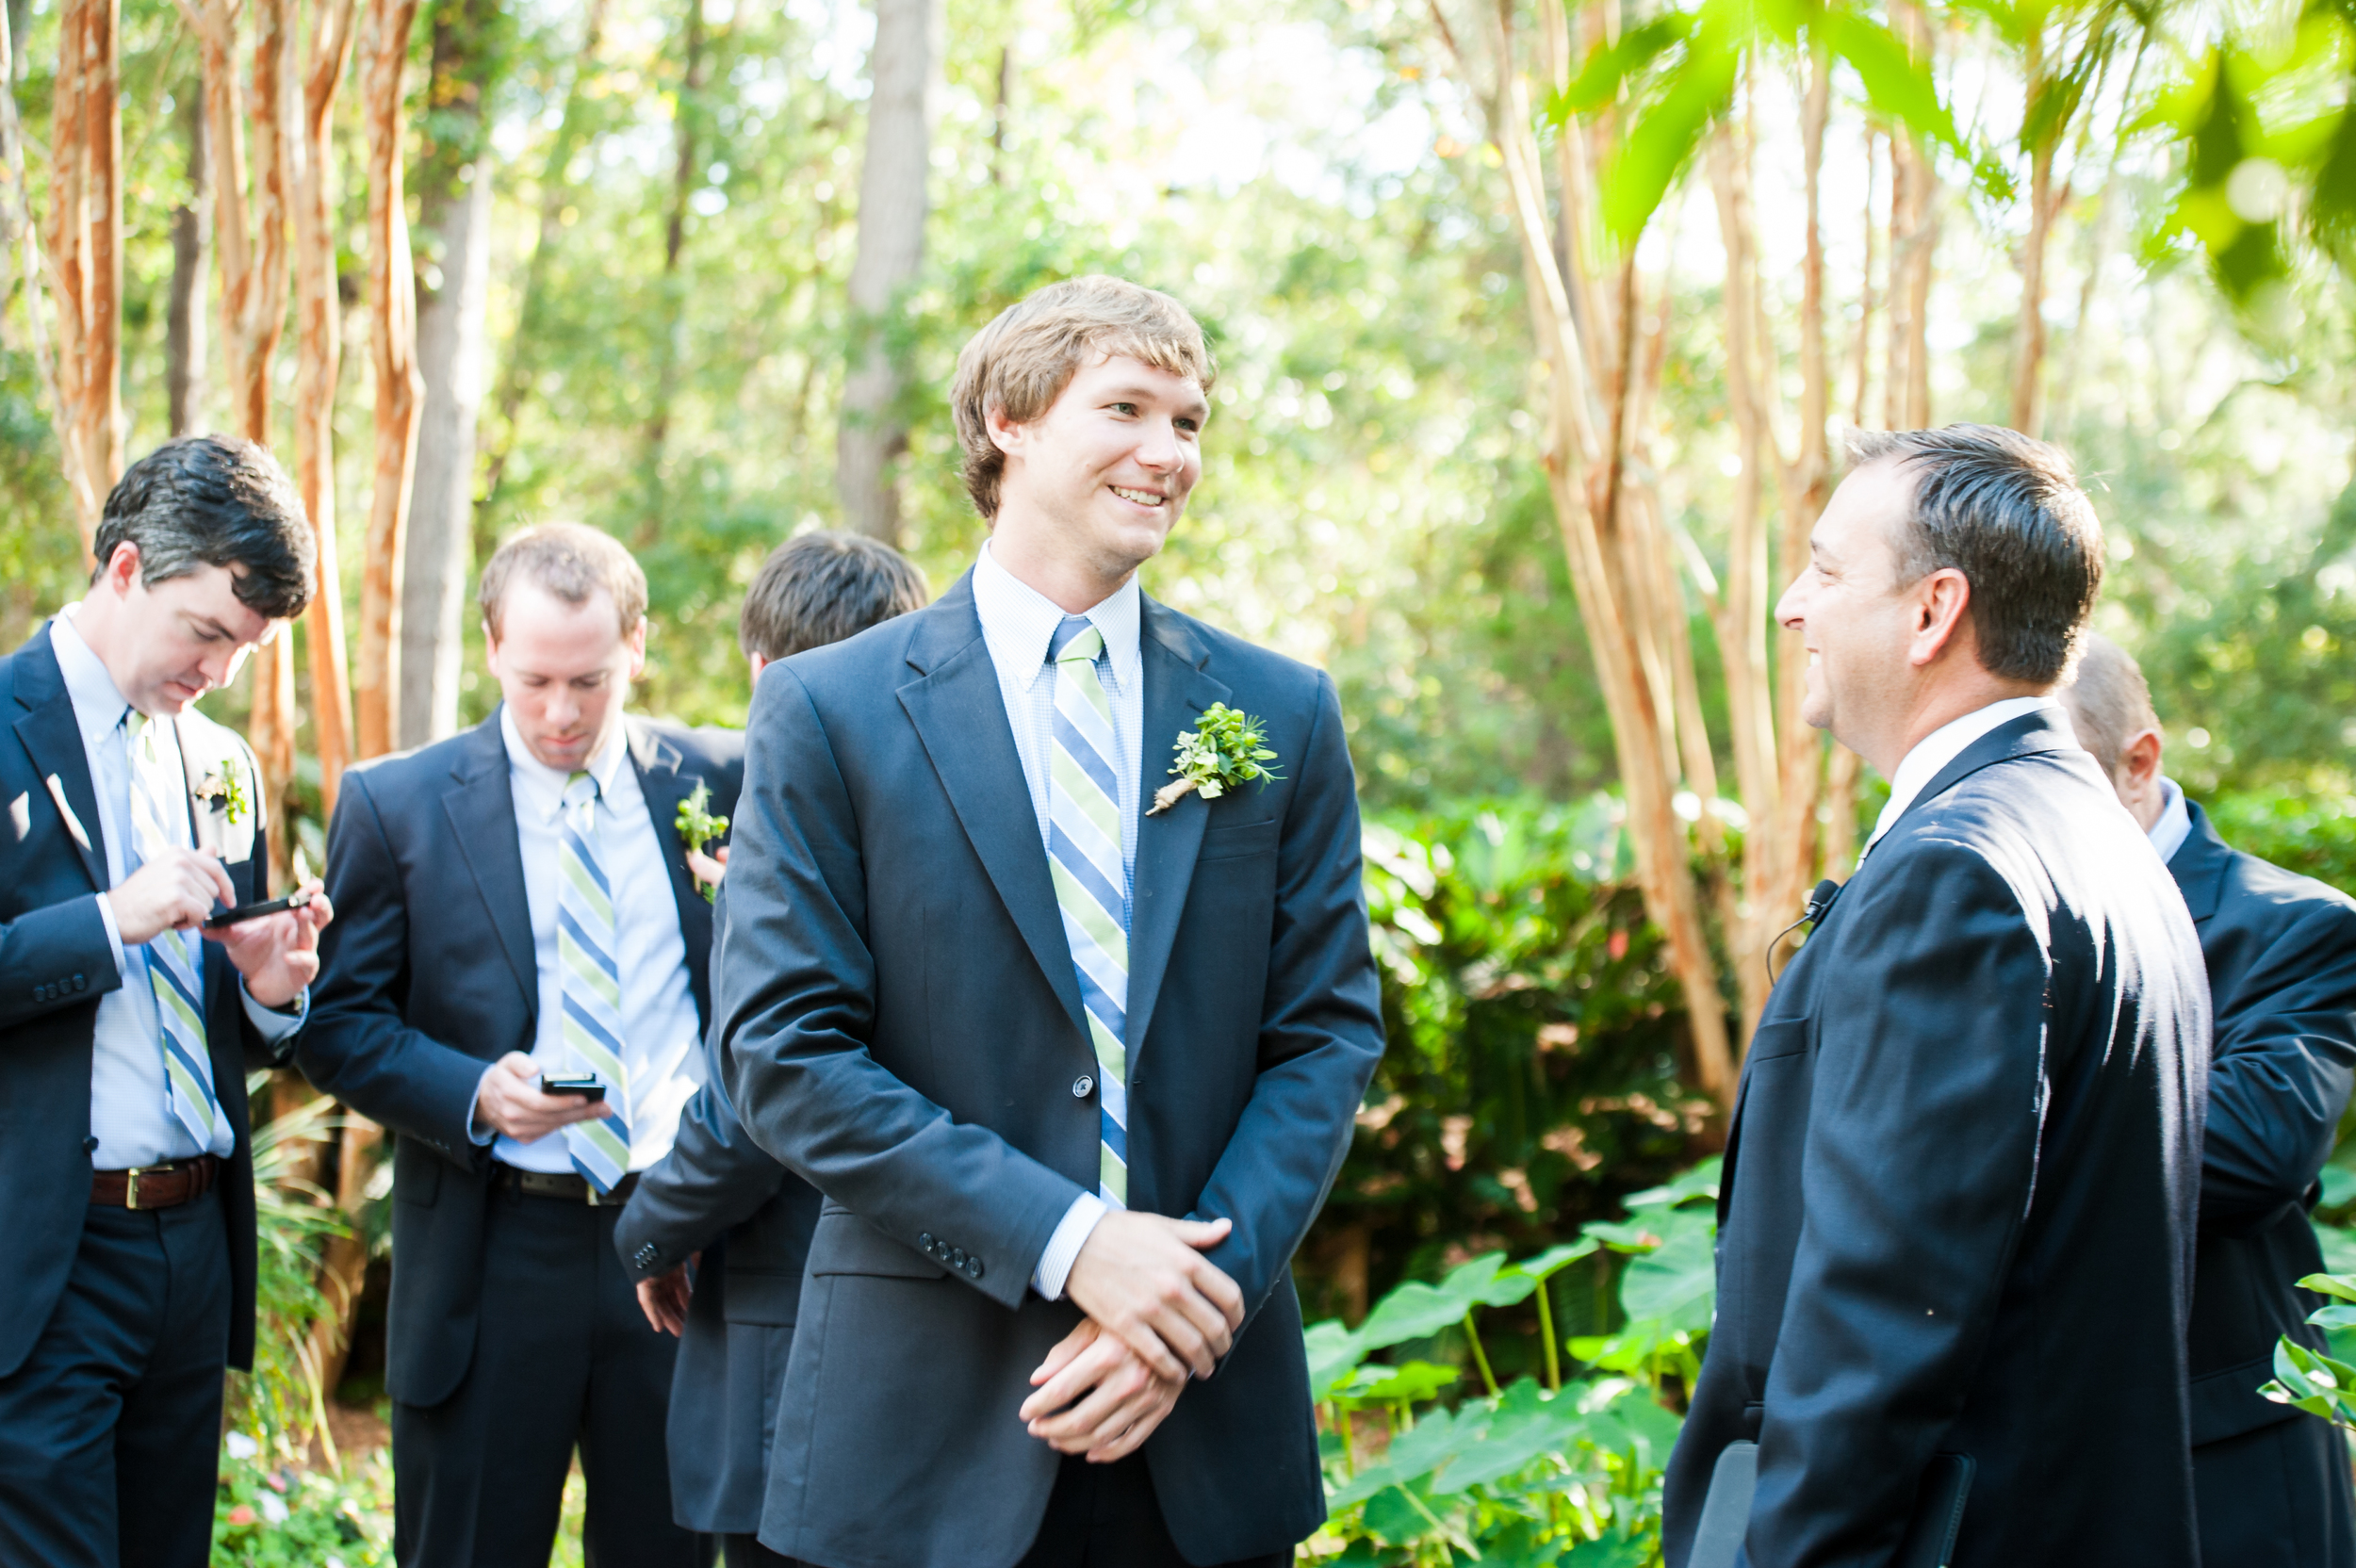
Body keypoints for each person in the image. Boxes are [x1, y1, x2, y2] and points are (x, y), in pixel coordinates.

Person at [714, 274, 1386, 1567]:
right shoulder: (829, 712)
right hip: (918, 1421)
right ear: (1010, 423)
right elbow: (781, 1056)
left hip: (1200, 1421)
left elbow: (1324, 1039)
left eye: (1189, 422)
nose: (1169, 453)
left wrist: (1188, 1308)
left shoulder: (1279, 711)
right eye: (1126, 408)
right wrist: (1076, 1248)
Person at [1661, 426, 2211, 1568]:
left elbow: (1880, 1321)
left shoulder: (1954, 872)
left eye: (1825, 568)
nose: (1789, 608)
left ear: (1931, 612)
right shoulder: (2107, 848)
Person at [299, 523, 741, 1568]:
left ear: (638, 645)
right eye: (534, 677)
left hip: (673, 1235)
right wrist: (474, 1093)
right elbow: (337, 1022)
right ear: (491, 643)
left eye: (588, 680)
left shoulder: (724, 777)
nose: (558, 712)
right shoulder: (395, 802)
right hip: (490, 1250)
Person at [0, 435, 333, 1568]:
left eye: (245, 649)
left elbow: (207, 1023)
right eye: (206, 633)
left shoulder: (223, 764)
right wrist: (107, 919)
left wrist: (270, 994)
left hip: (194, 1247)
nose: (220, 671)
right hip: (46, 1259)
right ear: (128, 567)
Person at [614, 531, 930, 1568]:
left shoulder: (795, 817)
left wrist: (655, 1227)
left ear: (763, 670)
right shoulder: (962, 817)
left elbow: (764, 1085)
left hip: (797, 1322)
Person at [2061, 633, 2356, 1568]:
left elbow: (2251, 1144)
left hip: (2222, 1469)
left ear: (2138, 759)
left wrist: (1986, 1127)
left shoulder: (2292, 926)